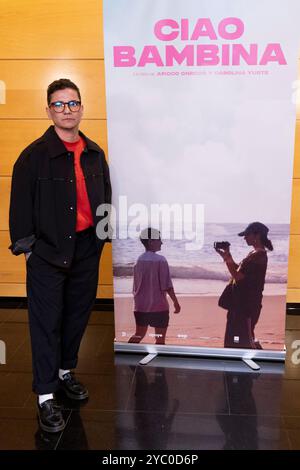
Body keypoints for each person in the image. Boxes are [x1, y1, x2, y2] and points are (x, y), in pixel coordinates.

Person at [9, 78, 112, 433]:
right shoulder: (33, 156)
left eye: (72, 104)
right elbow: (19, 207)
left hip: (86, 249)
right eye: (59, 104)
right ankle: (45, 397)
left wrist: (100, 240)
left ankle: (65, 371)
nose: (67, 110)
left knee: (77, 317)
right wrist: (29, 249)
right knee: (46, 323)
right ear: (49, 110)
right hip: (49, 253)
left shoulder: (95, 153)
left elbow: (105, 200)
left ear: (82, 108)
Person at [215, 222, 273, 349]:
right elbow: (239, 271)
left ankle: (257, 364)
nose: (244, 237)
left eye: (247, 235)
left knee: (244, 343)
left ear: (257, 235)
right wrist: (227, 256)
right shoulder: (254, 253)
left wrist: (228, 259)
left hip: (246, 306)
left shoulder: (259, 255)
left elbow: (238, 276)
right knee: (239, 340)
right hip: (241, 304)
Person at [128, 228, 181, 345]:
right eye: (159, 240)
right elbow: (167, 285)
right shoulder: (161, 260)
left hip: (140, 306)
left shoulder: (138, 260)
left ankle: (126, 355)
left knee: (139, 334)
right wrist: (175, 302)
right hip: (159, 307)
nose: (161, 242)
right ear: (151, 241)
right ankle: (157, 362)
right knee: (160, 340)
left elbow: (136, 287)